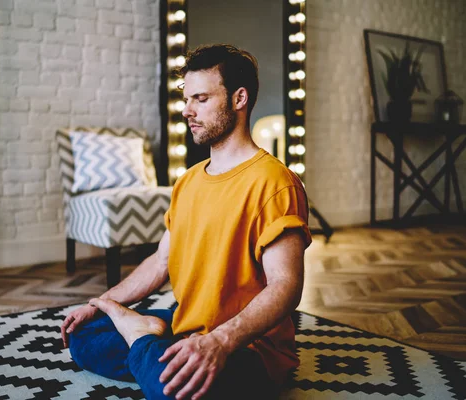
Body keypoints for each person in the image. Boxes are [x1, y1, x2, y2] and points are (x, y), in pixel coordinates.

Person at [61, 44, 312, 400]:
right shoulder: (189, 181)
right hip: (185, 325)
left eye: (201, 99)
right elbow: (161, 261)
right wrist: (99, 302)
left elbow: (286, 286)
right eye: (187, 98)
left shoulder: (275, 182)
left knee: (173, 391)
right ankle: (151, 340)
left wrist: (219, 342)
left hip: (248, 348)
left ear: (239, 99)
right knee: (84, 336)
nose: (187, 111)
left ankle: (142, 339)